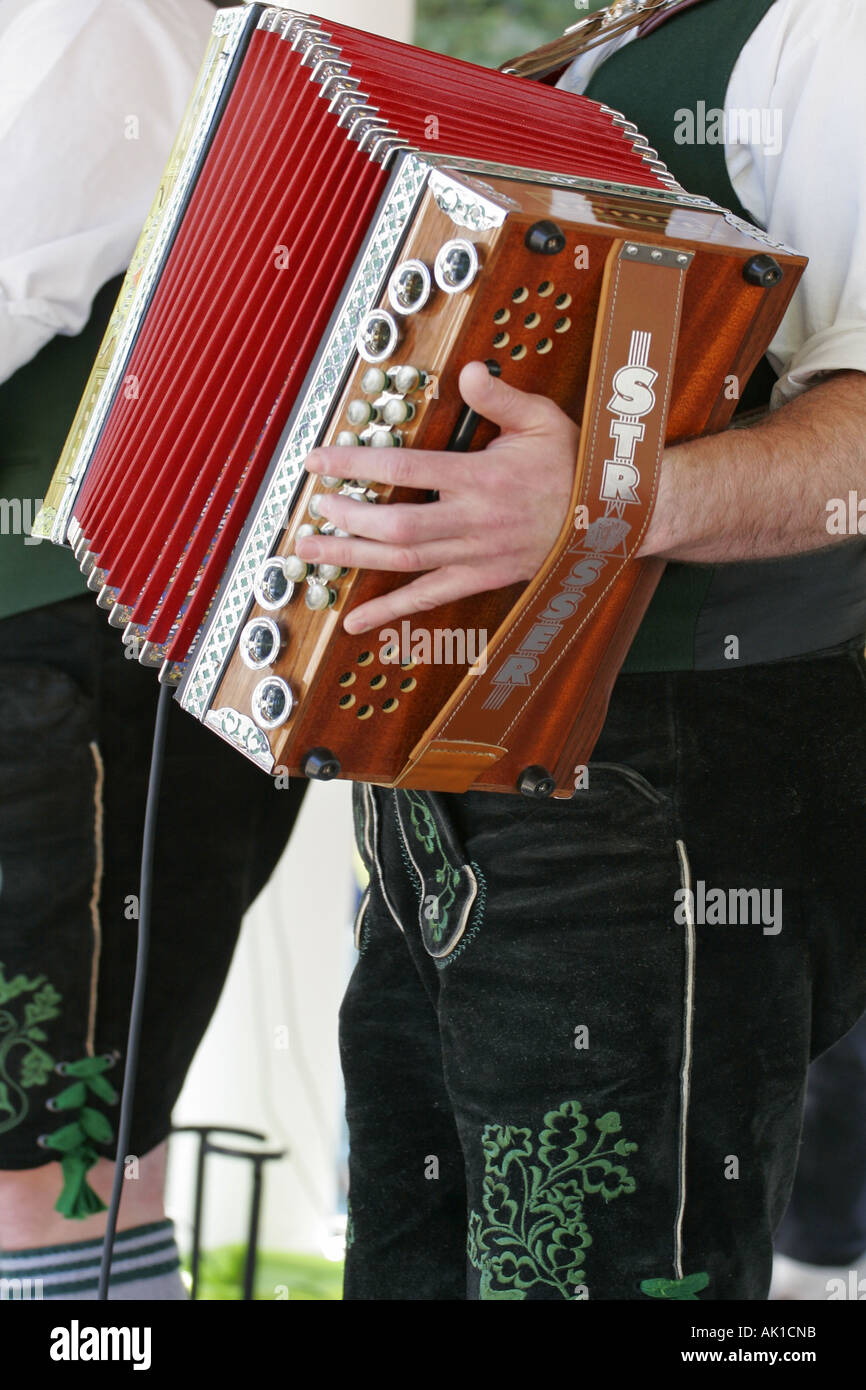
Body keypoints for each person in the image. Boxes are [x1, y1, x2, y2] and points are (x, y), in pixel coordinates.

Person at [295, 0, 866, 1299]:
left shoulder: (822, 33)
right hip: (459, 782)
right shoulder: (582, 53)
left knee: (606, 1270)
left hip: (674, 766)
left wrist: (610, 505)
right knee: (416, 1262)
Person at [0, 0, 304, 1301]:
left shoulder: (93, 23)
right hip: (97, 670)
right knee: (75, 1173)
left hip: (68, 677)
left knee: (60, 1176)